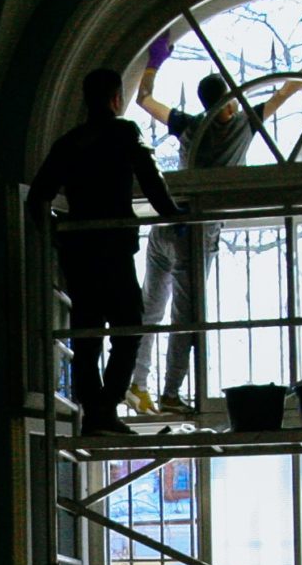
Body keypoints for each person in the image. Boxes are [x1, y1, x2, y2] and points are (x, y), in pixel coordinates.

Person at [133, 30, 302, 412]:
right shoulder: (243, 122)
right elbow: (289, 89)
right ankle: (169, 393)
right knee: (187, 317)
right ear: (229, 102)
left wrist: (155, 58)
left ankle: (137, 385)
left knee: (151, 309)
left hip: (165, 226)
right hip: (198, 232)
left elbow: (144, 100)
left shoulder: (189, 124)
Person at [27, 67, 184, 434]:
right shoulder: (123, 132)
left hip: (79, 250)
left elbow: (38, 196)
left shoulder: (69, 142)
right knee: (128, 328)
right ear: (116, 98)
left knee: (87, 331)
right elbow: (151, 179)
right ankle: (104, 409)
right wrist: (174, 214)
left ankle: (95, 411)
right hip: (112, 247)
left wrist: (54, 233)